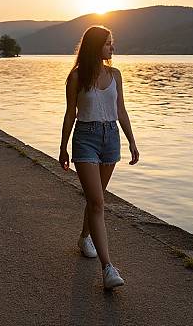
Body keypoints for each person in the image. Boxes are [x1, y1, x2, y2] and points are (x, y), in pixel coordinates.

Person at [59, 25, 140, 290]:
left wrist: (132, 142)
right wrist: (63, 148)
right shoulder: (76, 77)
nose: (112, 48)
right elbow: (70, 113)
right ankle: (108, 269)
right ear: (95, 47)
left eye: (112, 43)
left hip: (111, 138)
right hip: (85, 138)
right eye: (108, 43)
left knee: (97, 199)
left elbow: (121, 110)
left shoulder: (115, 75)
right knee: (97, 202)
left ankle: (85, 237)